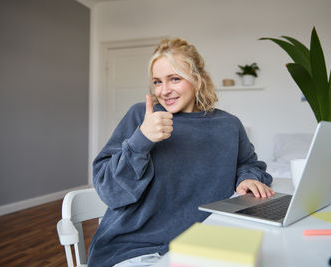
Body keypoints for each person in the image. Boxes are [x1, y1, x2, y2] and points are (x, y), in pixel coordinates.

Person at [88, 38, 273, 267]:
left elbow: (249, 164)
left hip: (202, 243)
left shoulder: (229, 125)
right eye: (157, 82)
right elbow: (109, 190)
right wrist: (141, 140)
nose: (164, 91)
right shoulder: (141, 117)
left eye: (174, 79)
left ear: (197, 79)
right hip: (137, 248)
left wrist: (247, 178)